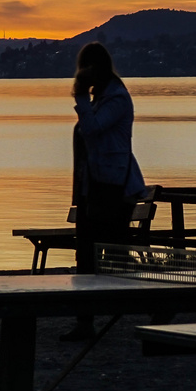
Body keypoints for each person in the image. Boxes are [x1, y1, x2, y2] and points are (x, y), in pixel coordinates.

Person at [64, 41, 147, 341]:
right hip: (93, 188)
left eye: (86, 69)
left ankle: (156, 305)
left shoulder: (116, 98)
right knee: (86, 257)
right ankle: (84, 321)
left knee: (117, 257)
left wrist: (80, 99)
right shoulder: (101, 97)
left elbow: (93, 129)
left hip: (113, 189)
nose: (83, 76)